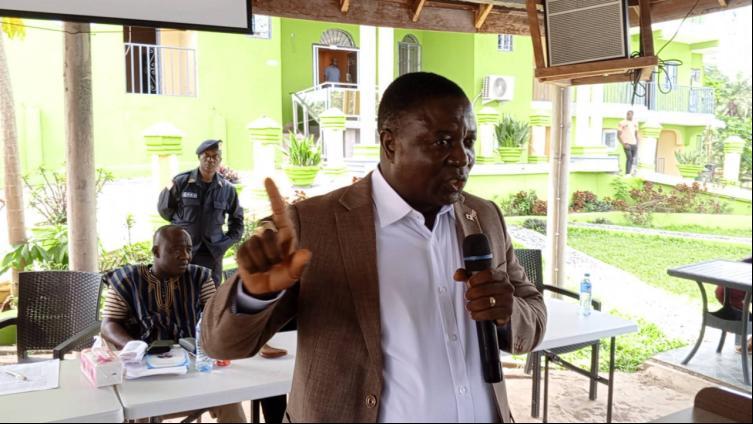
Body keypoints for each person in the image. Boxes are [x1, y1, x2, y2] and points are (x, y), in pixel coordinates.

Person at [201, 72, 547, 422]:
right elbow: (220, 343)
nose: (462, 157)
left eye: (468, 141)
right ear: (390, 143)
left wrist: (507, 313)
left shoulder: (484, 217)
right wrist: (253, 295)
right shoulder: (314, 225)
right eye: (442, 142)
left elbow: (533, 313)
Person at [100, 225, 246, 423]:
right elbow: (108, 324)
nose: (185, 256)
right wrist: (133, 346)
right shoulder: (127, 281)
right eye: (176, 249)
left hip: (193, 367)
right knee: (140, 410)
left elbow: (215, 316)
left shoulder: (199, 277)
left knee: (230, 398)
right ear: (156, 251)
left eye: (188, 249)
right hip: (145, 371)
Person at [158, 139, 243, 285]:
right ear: (199, 157)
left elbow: (237, 222)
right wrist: (182, 226)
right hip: (183, 252)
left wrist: (223, 245)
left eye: (215, 156)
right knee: (181, 291)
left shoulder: (227, 189)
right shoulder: (181, 182)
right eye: (206, 156)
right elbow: (164, 209)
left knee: (211, 294)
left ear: (220, 159)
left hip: (212, 254)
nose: (210, 160)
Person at [617, 110, 640, 175]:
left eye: (630, 114)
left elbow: (636, 134)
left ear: (632, 115)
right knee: (629, 158)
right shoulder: (622, 123)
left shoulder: (635, 123)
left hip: (634, 144)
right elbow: (618, 135)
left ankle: (631, 173)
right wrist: (623, 144)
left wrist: (637, 144)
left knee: (632, 159)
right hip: (627, 144)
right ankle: (627, 174)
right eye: (627, 114)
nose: (628, 115)